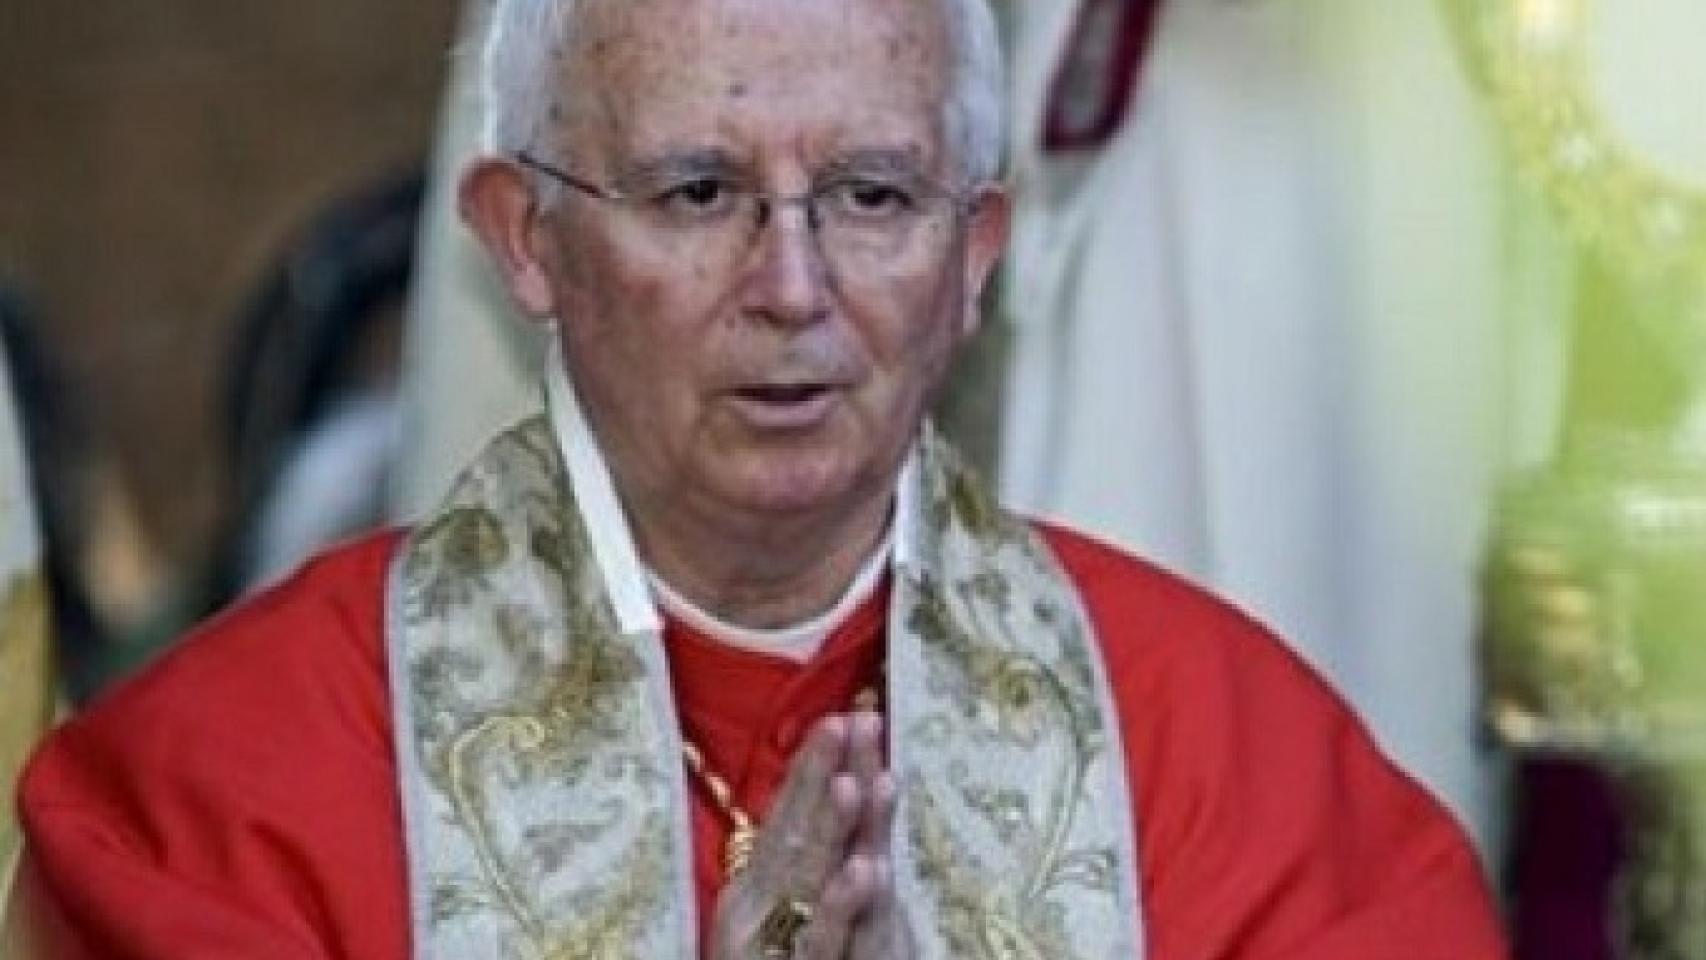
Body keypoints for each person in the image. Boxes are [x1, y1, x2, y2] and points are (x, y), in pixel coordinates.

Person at [12, 0, 1509, 956]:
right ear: (525, 239)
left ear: (974, 255)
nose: (792, 288)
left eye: (871, 194)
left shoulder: (1242, 777)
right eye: (699, 191)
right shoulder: (220, 808)